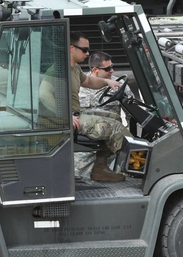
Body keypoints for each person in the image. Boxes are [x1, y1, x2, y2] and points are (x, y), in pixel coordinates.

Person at [40, 33, 128, 183]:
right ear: (72, 48)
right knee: (117, 128)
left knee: (114, 118)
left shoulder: (74, 68)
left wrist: (107, 82)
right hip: (66, 120)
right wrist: (66, 116)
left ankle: (100, 169)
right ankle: (135, 167)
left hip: (75, 115)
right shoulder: (59, 69)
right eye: (85, 50)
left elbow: (88, 81)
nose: (88, 53)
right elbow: (44, 93)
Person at [75, 51, 131, 179]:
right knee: (78, 176)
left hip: (110, 140)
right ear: (95, 70)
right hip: (84, 140)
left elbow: (131, 113)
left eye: (112, 67)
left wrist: (127, 134)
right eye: (107, 69)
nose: (112, 71)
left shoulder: (119, 85)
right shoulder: (79, 84)